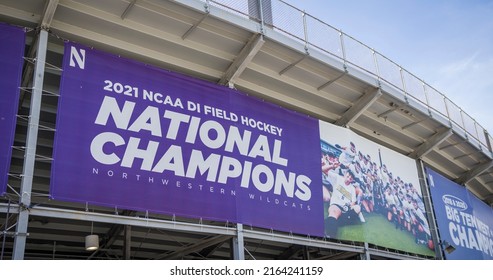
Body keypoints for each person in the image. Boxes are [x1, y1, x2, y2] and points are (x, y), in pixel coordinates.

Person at [323, 166, 365, 238]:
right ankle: (330, 234)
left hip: (346, 208)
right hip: (336, 205)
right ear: (345, 174)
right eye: (348, 176)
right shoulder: (338, 178)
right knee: (333, 213)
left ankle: (332, 221)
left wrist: (350, 206)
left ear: (352, 180)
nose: (348, 179)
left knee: (358, 208)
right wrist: (332, 166)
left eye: (350, 178)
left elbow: (353, 201)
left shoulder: (352, 188)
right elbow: (323, 170)